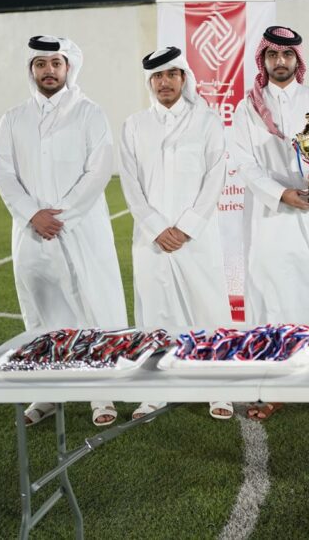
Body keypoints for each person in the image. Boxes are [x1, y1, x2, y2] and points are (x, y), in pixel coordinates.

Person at [0, 35, 127, 428]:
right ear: (31, 70)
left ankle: (101, 394)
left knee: (93, 305)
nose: (48, 71)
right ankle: (48, 391)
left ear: (69, 67)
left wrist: (59, 216)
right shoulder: (13, 118)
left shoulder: (89, 113)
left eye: (55, 63)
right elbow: (3, 173)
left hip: (81, 228)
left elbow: (98, 171)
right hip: (31, 231)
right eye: (41, 64)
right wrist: (33, 214)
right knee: (40, 308)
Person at [230, 26, 309, 420]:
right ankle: (273, 388)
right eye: (273, 55)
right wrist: (281, 193)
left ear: (297, 60)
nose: (280, 61)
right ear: (263, 60)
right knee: (275, 299)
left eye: (287, 55)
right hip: (272, 218)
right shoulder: (247, 108)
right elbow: (244, 163)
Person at [117, 46, 233, 421]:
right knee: (155, 310)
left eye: (171, 74)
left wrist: (186, 227)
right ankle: (155, 392)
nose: (164, 82)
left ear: (184, 78)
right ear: (149, 82)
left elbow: (215, 177)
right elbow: (130, 184)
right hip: (150, 239)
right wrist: (155, 227)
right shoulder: (134, 125)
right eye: (157, 76)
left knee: (208, 309)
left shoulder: (207, 121)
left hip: (196, 237)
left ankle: (218, 389)